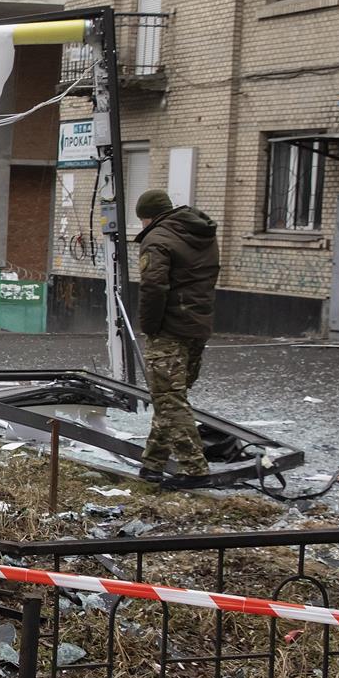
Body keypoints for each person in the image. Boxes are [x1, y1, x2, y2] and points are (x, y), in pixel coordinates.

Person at [134, 188, 221, 487]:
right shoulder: (201, 234)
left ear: (146, 217)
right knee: (171, 398)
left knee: (169, 400)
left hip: (169, 329)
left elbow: (153, 288)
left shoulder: (156, 239)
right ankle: (152, 465)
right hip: (198, 326)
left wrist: (149, 326)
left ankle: (195, 470)